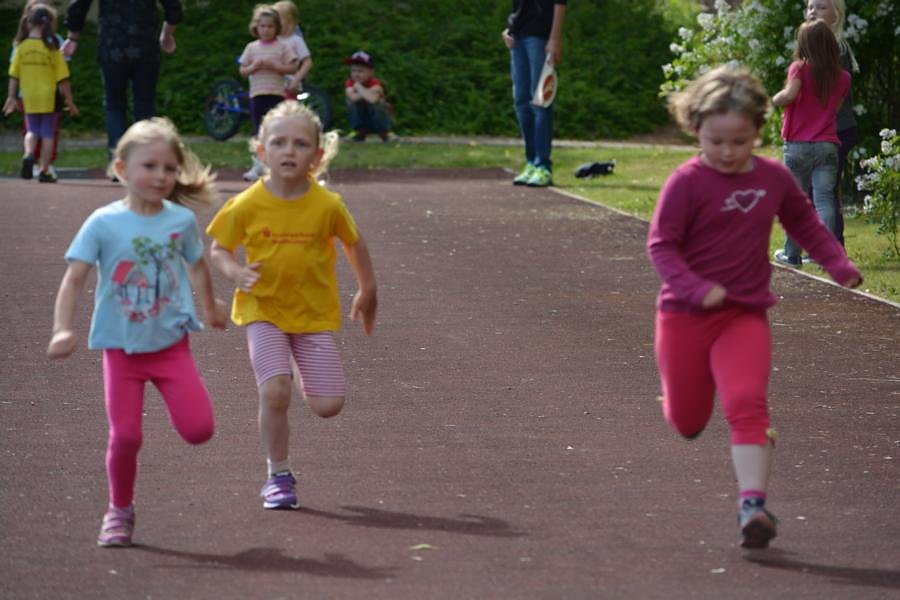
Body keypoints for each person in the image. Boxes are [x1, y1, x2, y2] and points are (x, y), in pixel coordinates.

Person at [647, 66, 861, 549]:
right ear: (696, 129)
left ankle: (753, 507)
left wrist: (837, 263)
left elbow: (803, 222)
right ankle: (682, 400)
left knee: (747, 403)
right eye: (716, 141)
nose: (727, 152)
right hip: (684, 316)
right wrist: (695, 288)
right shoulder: (685, 183)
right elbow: (662, 247)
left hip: (742, 315)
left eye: (739, 142)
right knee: (687, 420)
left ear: (758, 131)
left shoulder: (772, 177)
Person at [46, 117, 228, 547]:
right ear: (121, 169)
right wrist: (62, 328)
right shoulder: (102, 223)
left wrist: (210, 307)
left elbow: (197, 264)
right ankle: (119, 510)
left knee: (199, 430)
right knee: (126, 436)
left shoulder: (180, 220)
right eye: (150, 166)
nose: (161, 176)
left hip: (171, 347)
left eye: (169, 168)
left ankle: (121, 508)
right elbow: (74, 279)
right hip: (121, 351)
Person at [206, 101, 377, 511]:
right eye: (278, 142)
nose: (289, 151)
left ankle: (297, 361)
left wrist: (368, 289)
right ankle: (278, 475)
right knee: (275, 391)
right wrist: (235, 272)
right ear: (261, 151)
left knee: (328, 405)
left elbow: (354, 243)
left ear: (317, 156)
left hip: (311, 314)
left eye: (300, 144)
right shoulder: (247, 203)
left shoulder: (327, 205)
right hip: (262, 310)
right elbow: (219, 249)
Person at [772, 19, 850, 267]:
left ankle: (792, 255)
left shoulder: (799, 68)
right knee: (824, 199)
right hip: (827, 145)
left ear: (804, 45)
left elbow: (789, 95)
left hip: (798, 145)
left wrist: (775, 99)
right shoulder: (843, 77)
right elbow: (834, 109)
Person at [62, 0, 182, 161]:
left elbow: (79, 5)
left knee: (114, 105)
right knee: (145, 104)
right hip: (145, 47)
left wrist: (73, 37)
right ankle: (146, 159)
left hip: (112, 46)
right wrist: (167, 34)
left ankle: (117, 160)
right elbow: (174, 8)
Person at [804, 0, 859, 249]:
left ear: (836, 16)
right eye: (810, 7)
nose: (813, 11)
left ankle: (833, 247)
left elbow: (830, 96)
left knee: (823, 190)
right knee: (816, 190)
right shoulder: (814, 47)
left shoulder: (836, 48)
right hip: (822, 131)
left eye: (821, 7)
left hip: (835, 131)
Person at [3, 2, 78, 183]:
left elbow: (14, 75)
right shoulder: (53, 48)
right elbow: (63, 79)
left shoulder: (21, 47)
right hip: (49, 97)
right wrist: (69, 101)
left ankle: (28, 154)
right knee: (47, 133)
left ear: (28, 22)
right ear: (49, 23)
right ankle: (44, 170)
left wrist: (11, 97)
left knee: (31, 130)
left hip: (28, 96)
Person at [501, 0, 566, 188]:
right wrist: (509, 28)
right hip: (517, 36)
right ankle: (531, 162)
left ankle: (543, 165)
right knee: (521, 102)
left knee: (540, 101)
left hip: (540, 36)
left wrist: (554, 38)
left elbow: (560, 2)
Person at [239, 4, 297, 182]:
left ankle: (274, 165)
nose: (266, 30)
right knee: (258, 129)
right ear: (256, 27)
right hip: (257, 94)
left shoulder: (282, 47)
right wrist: (253, 67)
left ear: (277, 28)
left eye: (270, 26)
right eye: (262, 26)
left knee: (275, 130)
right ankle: (257, 164)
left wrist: (277, 67)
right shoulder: (251, 47)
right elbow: (243, 70)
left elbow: (293, 66)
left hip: (276, 94)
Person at [343, 50, 393, 142]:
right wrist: (369, 92)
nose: (356, 74)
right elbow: (352, 97)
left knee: (379, 103)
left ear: (371, 72)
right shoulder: (349, 83)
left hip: (378, 120)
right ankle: (359, 132)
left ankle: (384, 133)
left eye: (360, 71)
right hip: (362, 119)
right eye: (353, 71)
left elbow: (373, 99)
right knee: (350, 101)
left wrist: (358, 87)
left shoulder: (375, 83)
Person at [272, 0, 312, 100]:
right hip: (271, 86)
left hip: (289, 86)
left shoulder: (296, 40)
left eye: (278, 20)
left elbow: (307, 62)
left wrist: (297, 80)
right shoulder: (272, 40)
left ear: (290, 21)